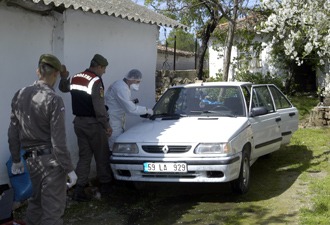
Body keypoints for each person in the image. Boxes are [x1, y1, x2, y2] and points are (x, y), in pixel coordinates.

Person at [8, 54, 77, 225]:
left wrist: (16, 159)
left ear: (38, 72)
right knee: (53, 211)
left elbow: (13, 132)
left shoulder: (20, 94)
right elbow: (58, 141)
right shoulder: (54, 99)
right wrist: (69, 169)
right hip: (51, 162)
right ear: (56, 74)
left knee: (37, 203)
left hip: (31, 161)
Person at [59, 54, 113, 202]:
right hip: (93, 124)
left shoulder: (76, 77)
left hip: (79, 123)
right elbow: (99, 107)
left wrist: (64, 77)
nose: (104, 72)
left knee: (84, 157)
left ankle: (79, 190)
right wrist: (106, 125)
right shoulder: (96, 80)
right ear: (98, 67)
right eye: (104, 69)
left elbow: (63, 88)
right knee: (102, 156)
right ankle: (106, 187)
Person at [105, 69, 153, 151]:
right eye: (137, 82)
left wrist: (131, 103)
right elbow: (131, 109)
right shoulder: (122, 88)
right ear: (131, 78)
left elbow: (121, 102)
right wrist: (147, 110)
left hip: (114, 119)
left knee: (113, 146)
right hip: (114, 122)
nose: (138, 84)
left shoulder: (118, 83)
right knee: (113, 148)